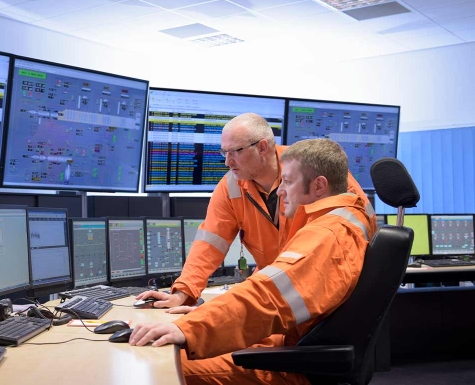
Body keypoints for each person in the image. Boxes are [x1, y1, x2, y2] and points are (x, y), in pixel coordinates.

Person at [129, 138, 372, 385]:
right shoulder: (333, 216)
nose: (280, 190)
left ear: (319, 186)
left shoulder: (326, 235)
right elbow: (210, 245)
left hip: (292, 359)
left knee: (158, 366)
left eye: (287, 182)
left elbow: (269, 296)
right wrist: (193, 300)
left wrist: (190, 328)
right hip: (289, 334)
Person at [137, 113, 375, 312]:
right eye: (224, 153)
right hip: (276, 292)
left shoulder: (314, 172)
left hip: (322, 295)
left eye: (235, 152)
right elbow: (209, 244)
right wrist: (182, 293)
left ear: (262, 147)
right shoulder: (230, 186)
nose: (228, 162)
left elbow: (361, 229)